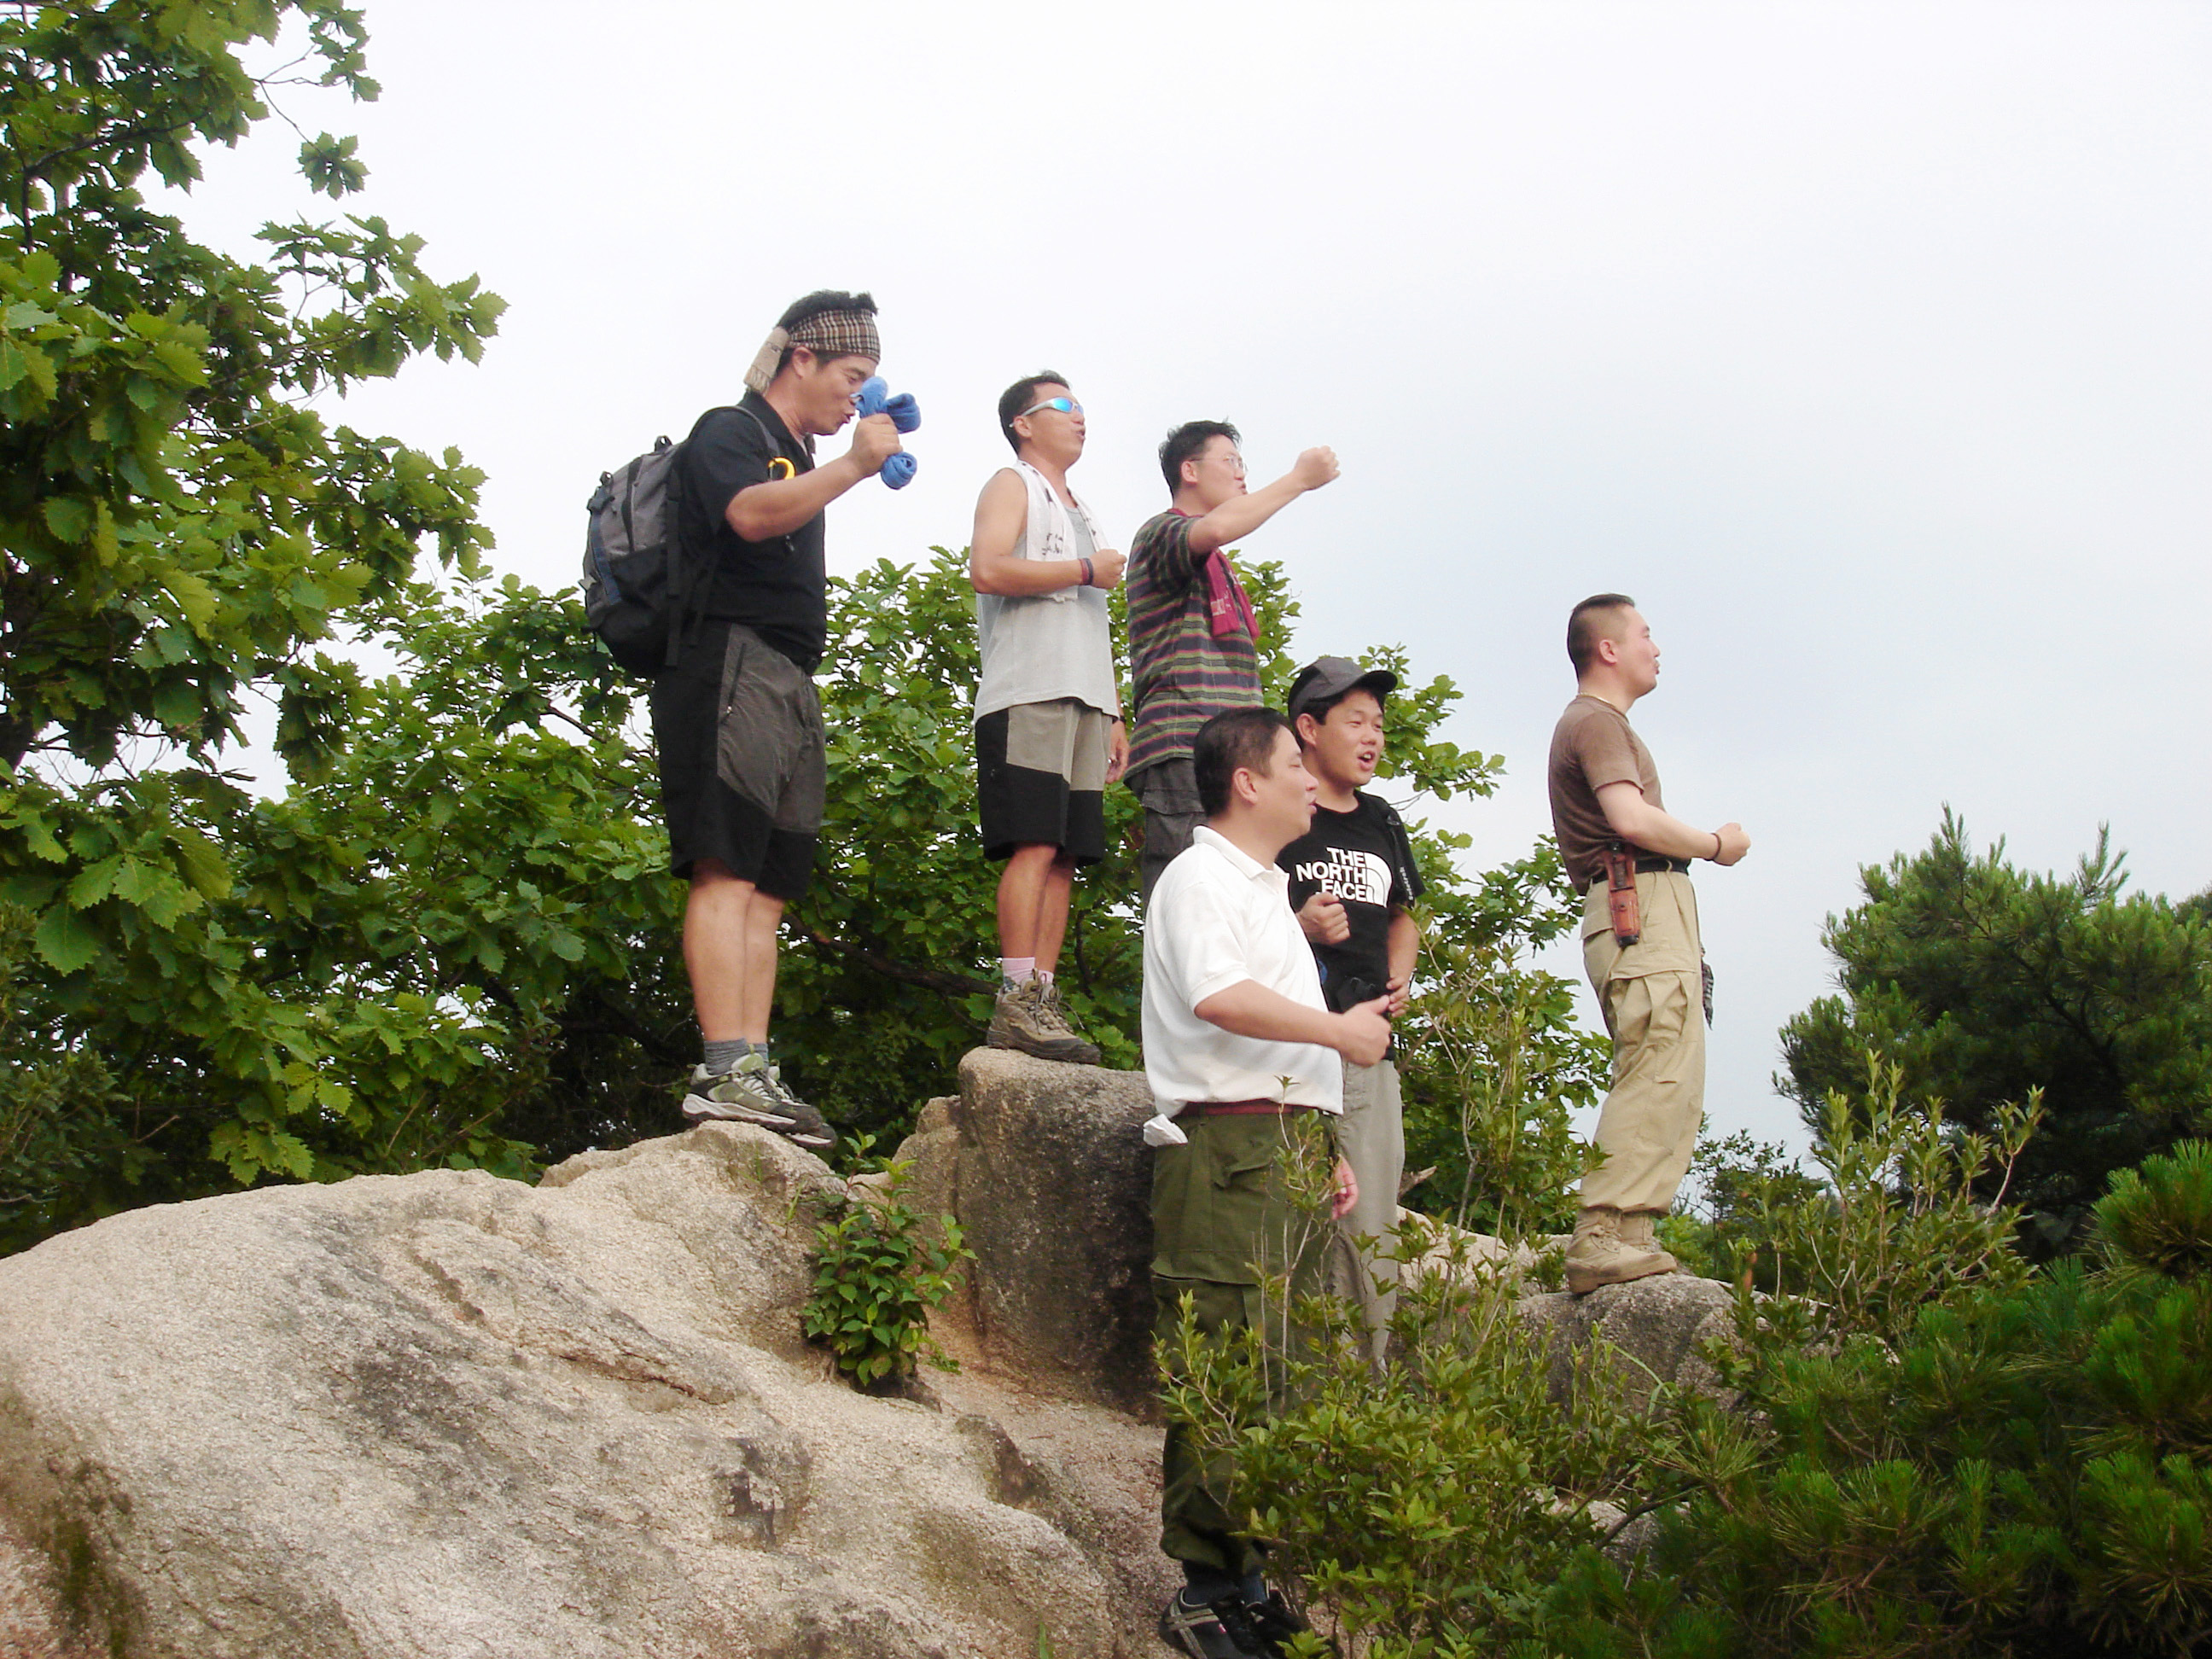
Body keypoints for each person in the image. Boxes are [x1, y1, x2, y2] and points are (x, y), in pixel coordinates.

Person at [1143, 706, 1393, 1658]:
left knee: (1281, 1369)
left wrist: (1321, 1141)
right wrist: (1340, 1031)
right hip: (1226, 1154)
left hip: (1277, 1146)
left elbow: (1266, 1030)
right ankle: (1204, 1592)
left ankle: (1246, 1583)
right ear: (1248, 782)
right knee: (1226, 1358)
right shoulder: (1201, 877)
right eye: (1295, 763)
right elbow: (1219, 997)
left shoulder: (1262, 887)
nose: (1310, 780)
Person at [655, 290, 905, 1150]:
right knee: (725, 868)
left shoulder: (797, 455)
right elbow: (748, 515)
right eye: (851, 373)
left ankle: (752, 1071)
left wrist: (839, 465)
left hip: (789, 678)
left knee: (766, 889)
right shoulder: (730, 431)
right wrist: (855, 467)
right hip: (728, 661)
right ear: (802, 358)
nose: (858, 394)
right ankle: (721, 1068)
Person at [1547, 595, 1749, 1295]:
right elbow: (1629, 818)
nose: (1656, 648)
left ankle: (1631, 1231)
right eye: (1645, 634)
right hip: (1637, 900)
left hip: (1645, 903)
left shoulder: (1598, 723)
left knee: (1672, 1065)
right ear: (1608, 648)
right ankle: (1602, 1234)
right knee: (1658, 1059)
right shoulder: (1596, 722)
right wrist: (1716, 844)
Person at [967, 372, 1127, 1065]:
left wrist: (1114, 711)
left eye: (1081, 405)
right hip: (1026, 688)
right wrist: (1086, 570)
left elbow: (1092, 622)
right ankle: (1015, 997)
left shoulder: (1082, 507)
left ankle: (1044, 997)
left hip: (1086, 696)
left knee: (1067, 852)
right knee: (1032, 843)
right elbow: (987, 568)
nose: (1079, 415)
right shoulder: (1013, 484)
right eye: (1062, 405)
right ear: (1024, 423)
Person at [1124, 421, 1340, 906]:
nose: (1242, 474)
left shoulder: (1214, 562)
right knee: (1190, 898)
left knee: (1238, 897)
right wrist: (1299, 479)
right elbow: (1218, 528)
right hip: (1186, 743)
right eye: (1230, 461)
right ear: (1189, 470)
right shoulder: (1161, 533)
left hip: (1229, 752)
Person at [1278, 657, 1423, 1356]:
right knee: (1292, 1221)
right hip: (1288, 1041)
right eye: (1356, 722)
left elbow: (1404, 916)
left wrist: (1400, 977)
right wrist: (1297, 926)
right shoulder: (1280, 811)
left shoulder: (1382, 821)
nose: (1372, 738)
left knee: (1370, 1231)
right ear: (1309, 729)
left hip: (1369, 1046)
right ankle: (1289, 1387)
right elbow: (1234, 915)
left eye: (1379, 726)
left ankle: (1364, 1394)